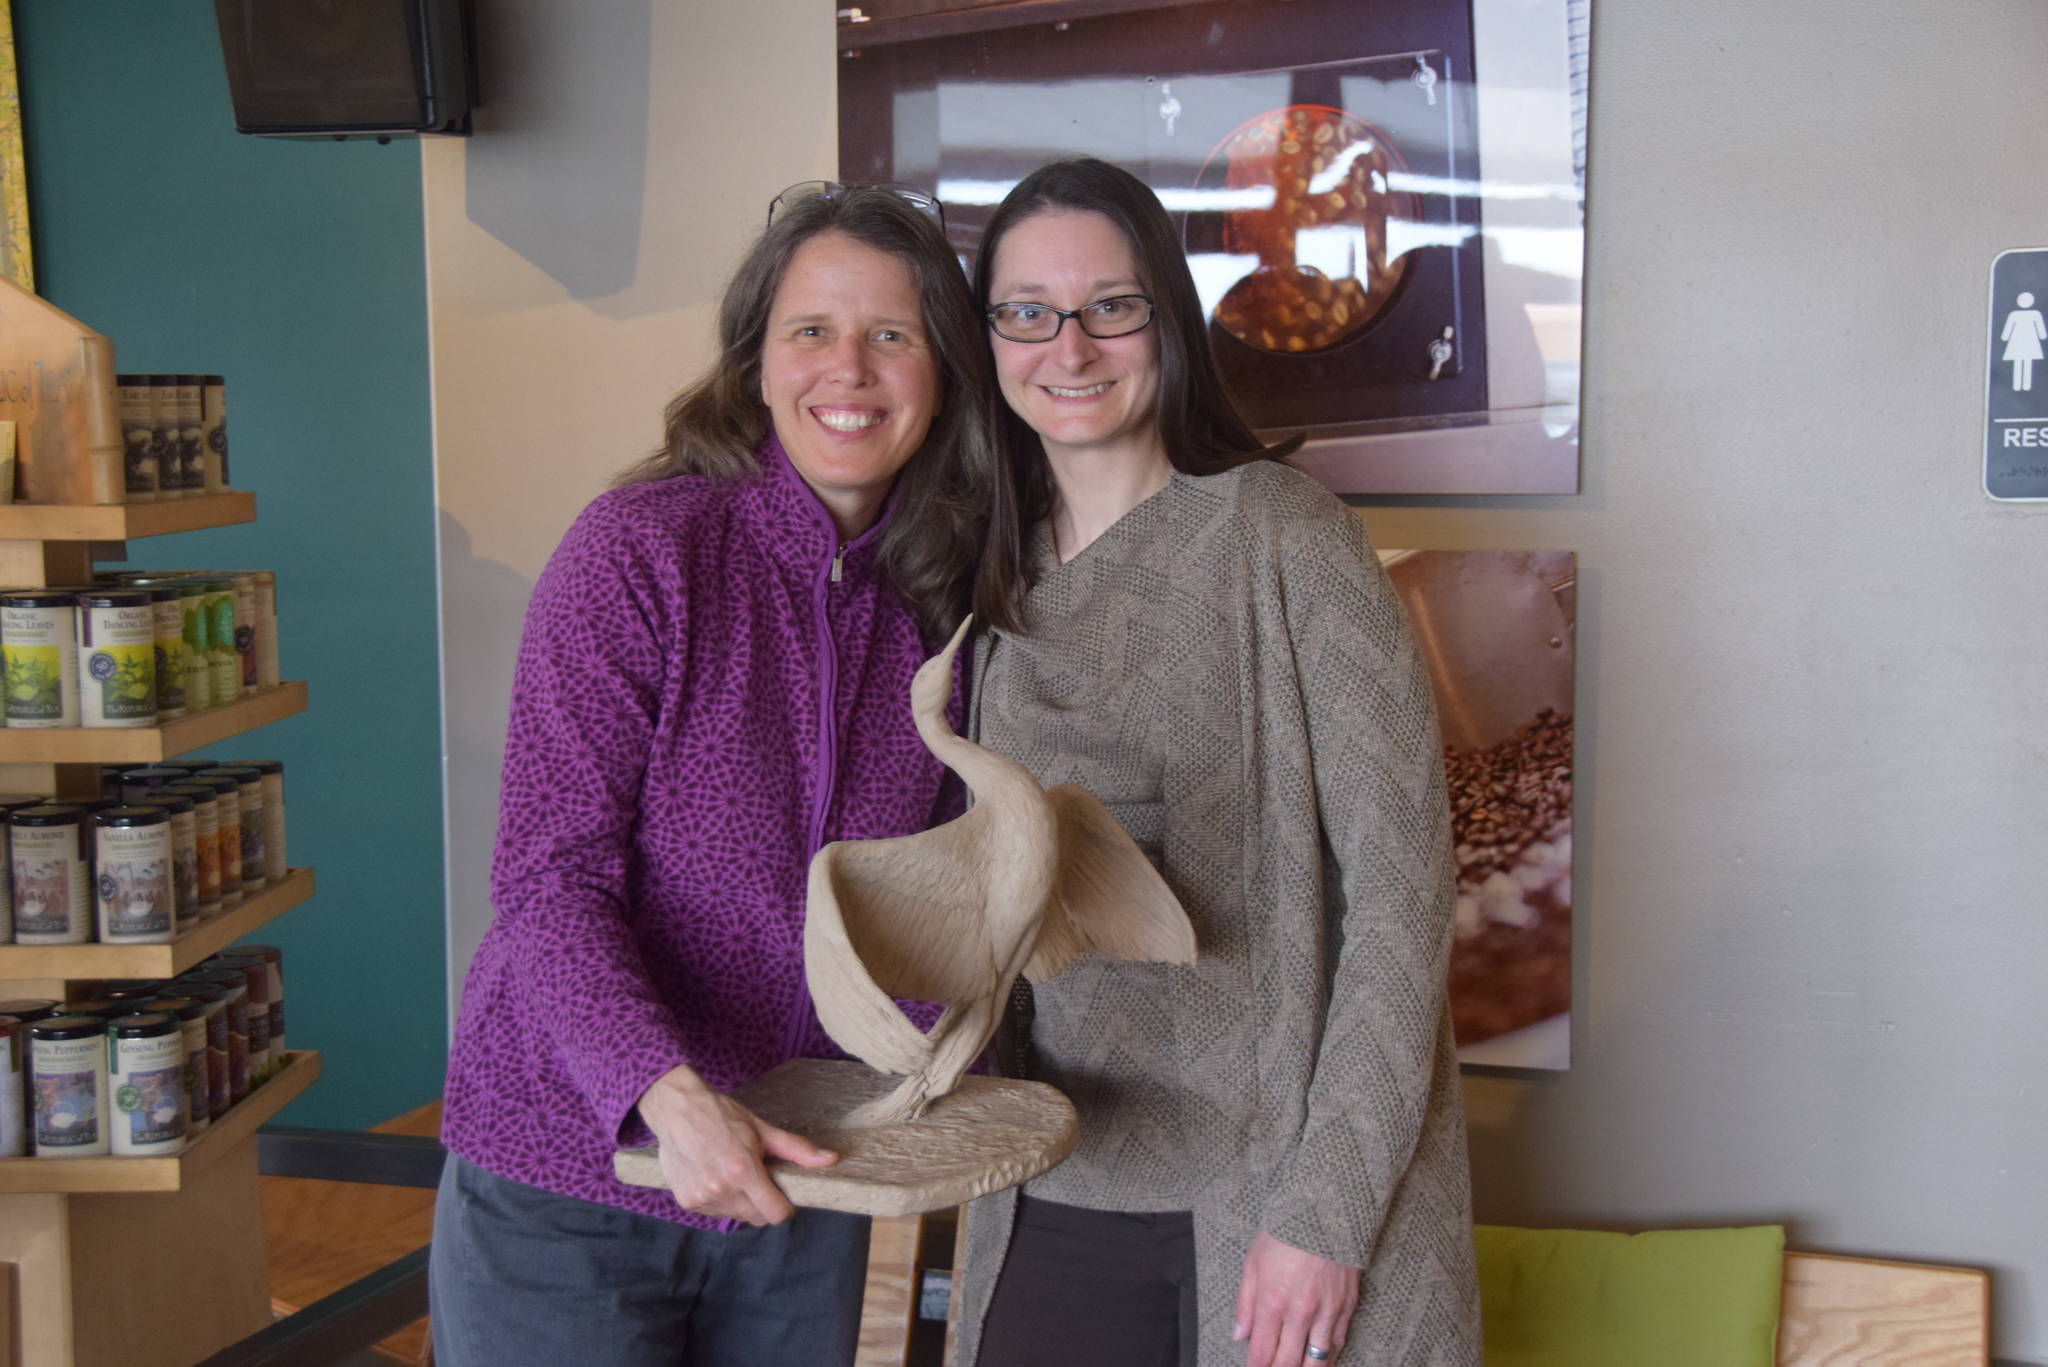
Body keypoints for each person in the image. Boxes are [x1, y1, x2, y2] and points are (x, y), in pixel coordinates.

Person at [430, 182, 992, 1367]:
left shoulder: (946, 598)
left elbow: (942, 894)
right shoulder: (639, 553)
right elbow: (548, 874)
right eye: (810, 332)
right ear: (754, 361)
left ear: (941, 369)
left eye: (891, 334)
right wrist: (662, 1094)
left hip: (801, 1175)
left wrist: (948, 1070)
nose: (849, 368)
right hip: (577, 1167)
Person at [954, 158, 1481, 1367]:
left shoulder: (1282, 534)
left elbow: (1401, 907)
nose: (1068, 345)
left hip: (1268, 1201)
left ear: (1167, 320)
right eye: (1026, 310)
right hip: (1045, 1181)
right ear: (988, 338)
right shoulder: (987, 580)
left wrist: (1325, 1214)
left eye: (1110, 305)